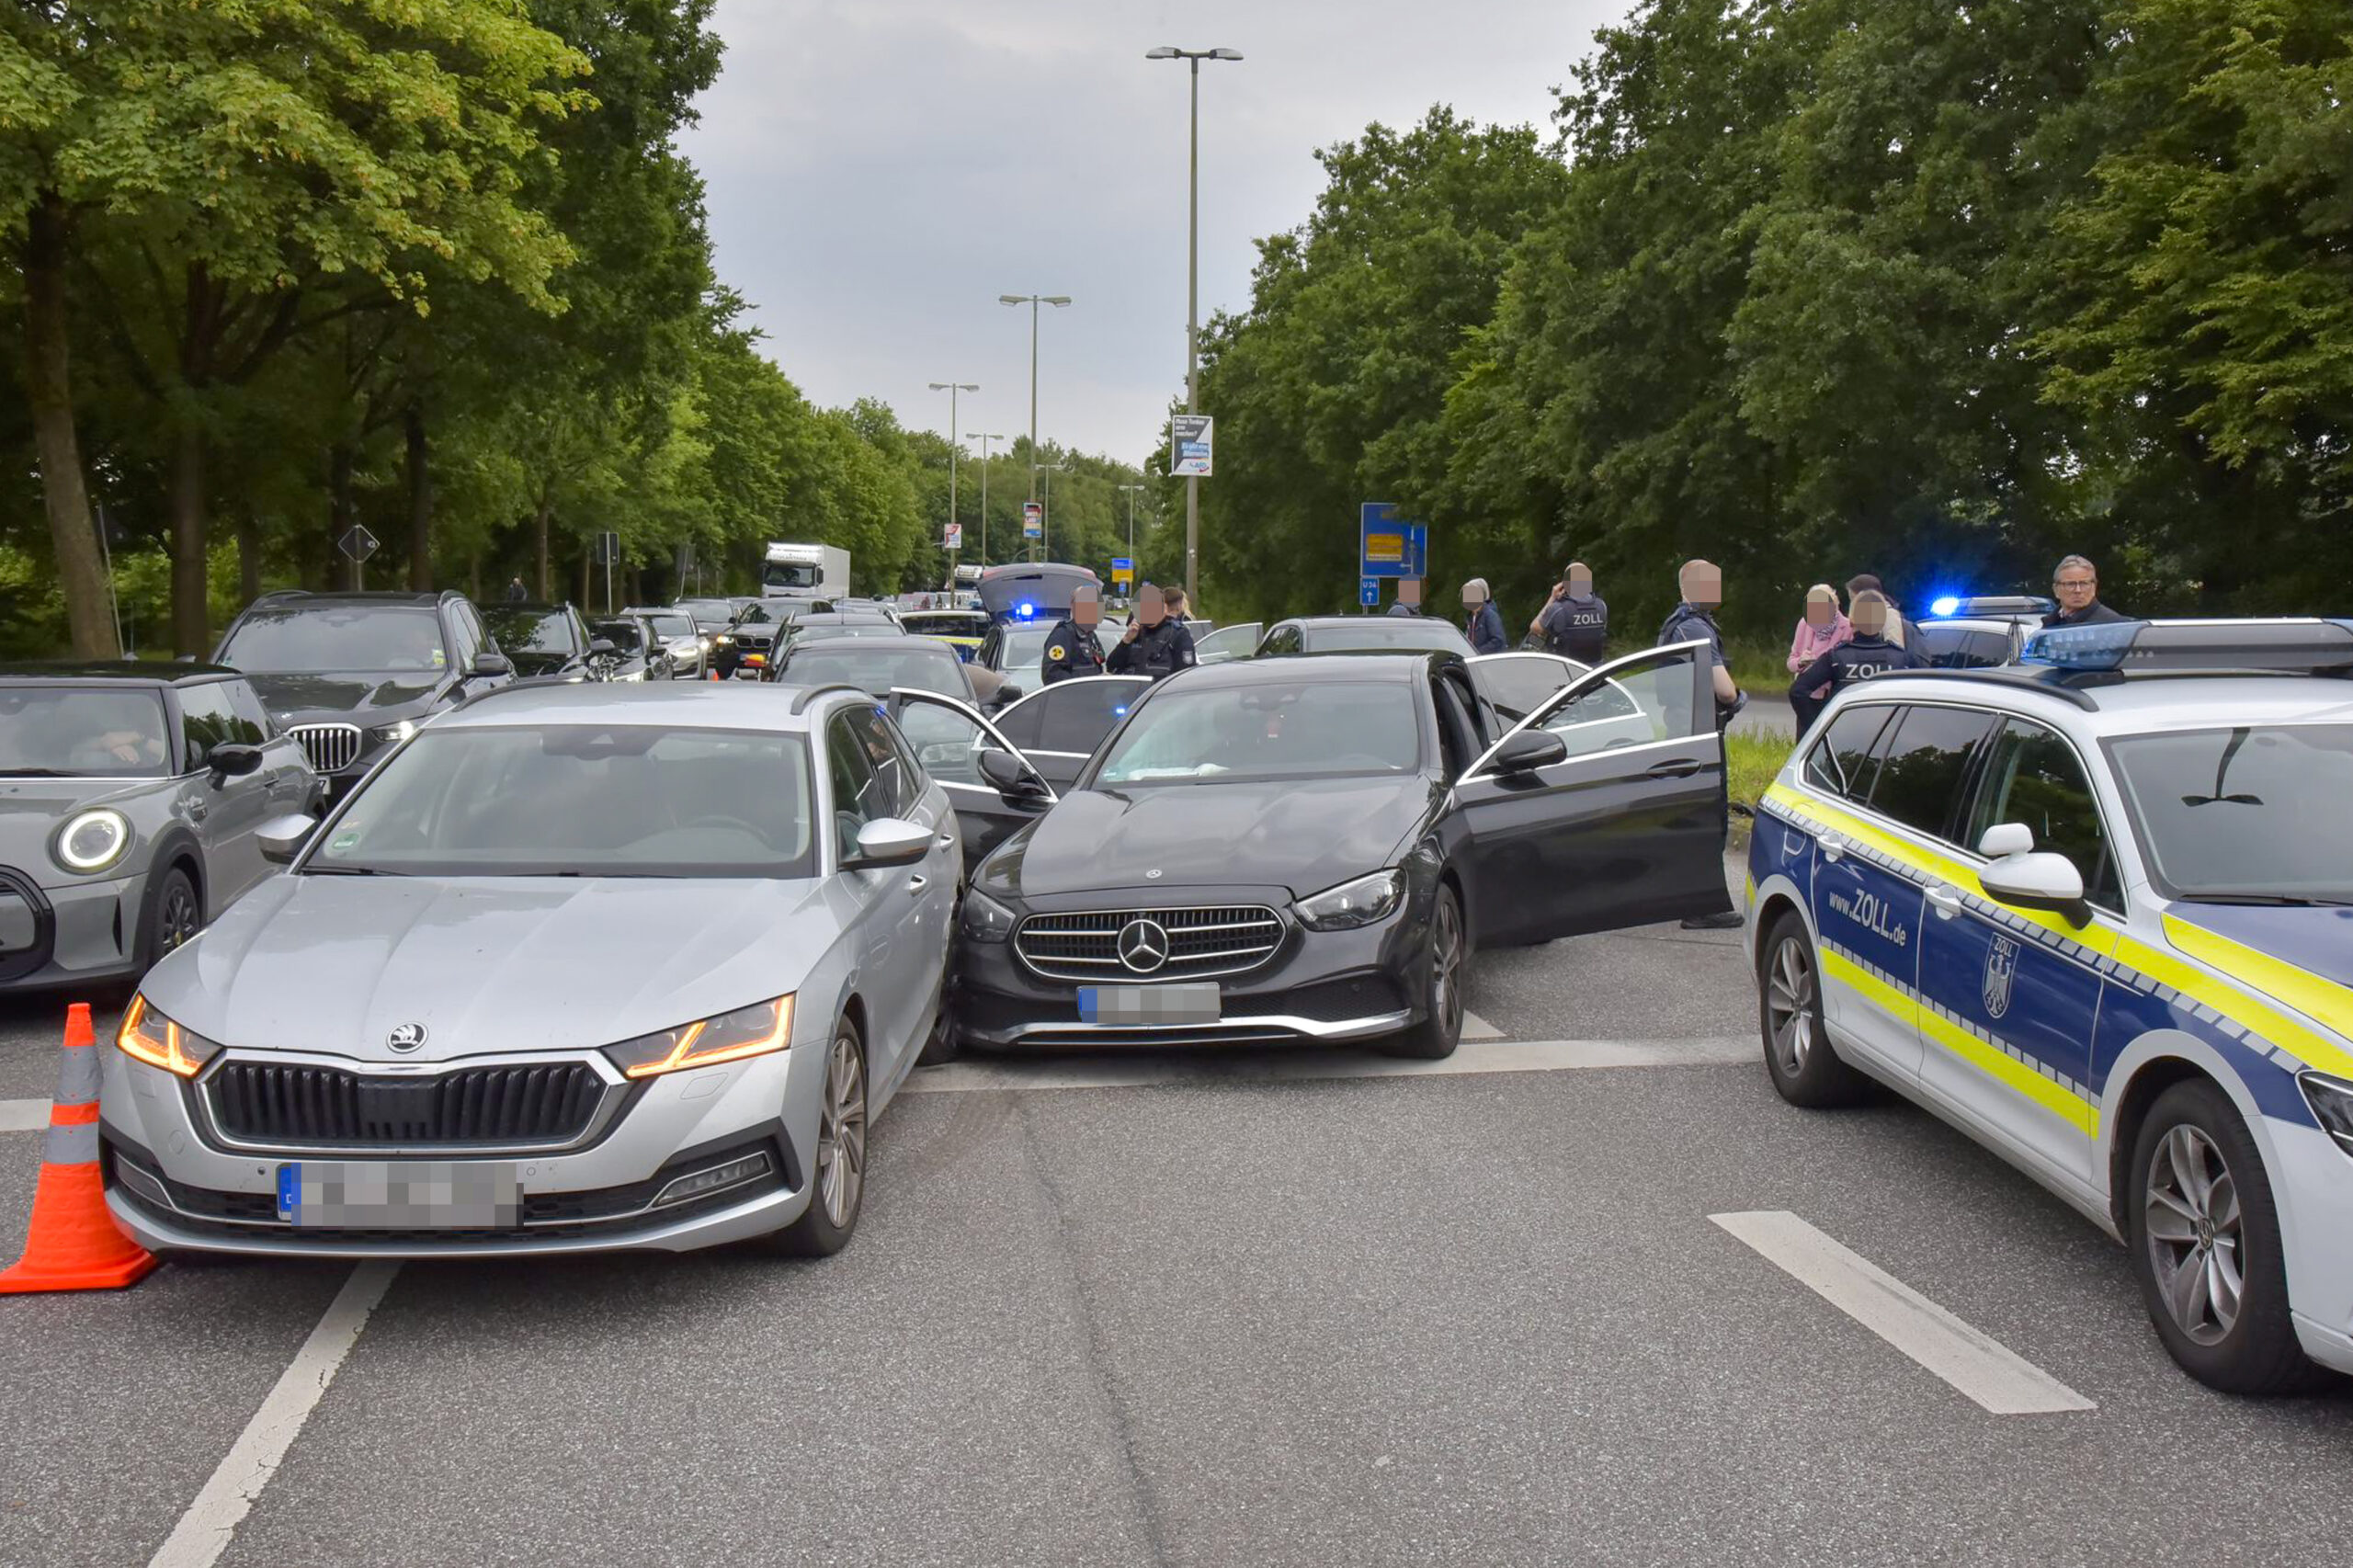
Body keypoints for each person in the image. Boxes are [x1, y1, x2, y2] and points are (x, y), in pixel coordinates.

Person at [1659, 560, 1745, 929]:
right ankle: (1702, 906)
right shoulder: (1696, 627)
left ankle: (1677, 895)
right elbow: (1723, 690)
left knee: (1685, 812)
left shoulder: (1674, 624)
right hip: (1701, 733)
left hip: (1679, 729)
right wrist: (1738, 697)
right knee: (1708, 815)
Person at [1790, 590, 1921, 735]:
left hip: (1844, 738)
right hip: (1886, 737)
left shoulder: (1837, 658)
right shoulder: (1902, 659)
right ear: (1882, 622)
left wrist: (1818, 731)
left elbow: (1798, 691)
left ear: (1851, 621)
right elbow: (1921, 697)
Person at [1108, 583, 1197, 681]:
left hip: (1162, 695)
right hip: (1134, 695)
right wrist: (1126, 640)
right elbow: (1112, 667)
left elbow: (1186, 676)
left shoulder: (1178, 634)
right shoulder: (1135, 634)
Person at [1532, 562, 1608, 662]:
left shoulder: (1558, 608)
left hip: (1567, 670)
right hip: (1596, 669)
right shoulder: (1601, 605)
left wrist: (1552, 598)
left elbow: (1534, 628)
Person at [1040, 585, 1108, 685]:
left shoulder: (1090, 636)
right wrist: (1091, 682)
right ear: (1073, 606)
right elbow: (1052, 675)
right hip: (1072, 699)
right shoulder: (1063, 635)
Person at [2043, 554, 2129, 628]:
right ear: (2056, 590)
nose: (2078, 590)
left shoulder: (2113, 624)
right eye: (2070, 584)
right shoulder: (2049, 624)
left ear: (2094, 587)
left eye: (2084, 583)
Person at [1786, 584, 1850, 676]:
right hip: (1807, 684)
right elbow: (1791, 662)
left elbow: (1850, 662)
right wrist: (1800, 662)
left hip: (1834, 685)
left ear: (1835, 601)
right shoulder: (1804, 623)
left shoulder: (1848, 627)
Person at [1461, 579, 1509, 654]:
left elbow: (1498, 640)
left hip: (1490, 661)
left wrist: (1476, 653)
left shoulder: (1490, 615)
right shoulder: (1470, 618)